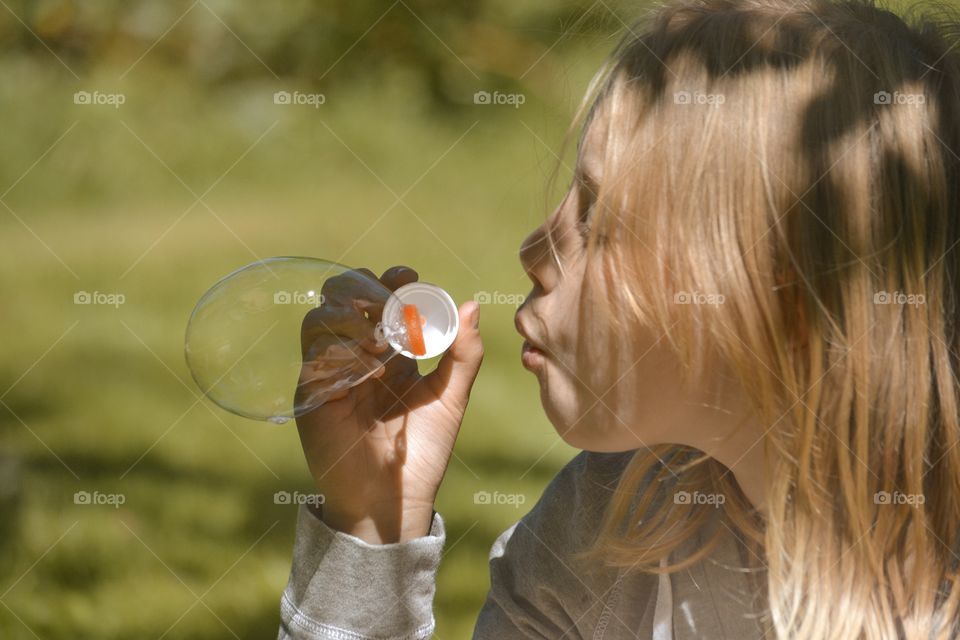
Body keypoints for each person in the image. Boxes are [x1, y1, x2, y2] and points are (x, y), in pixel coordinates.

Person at [279, 0, 960, 637]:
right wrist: (372, 524)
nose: (533, 249)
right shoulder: (608, 533)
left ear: (784, 299)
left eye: (598, 219)